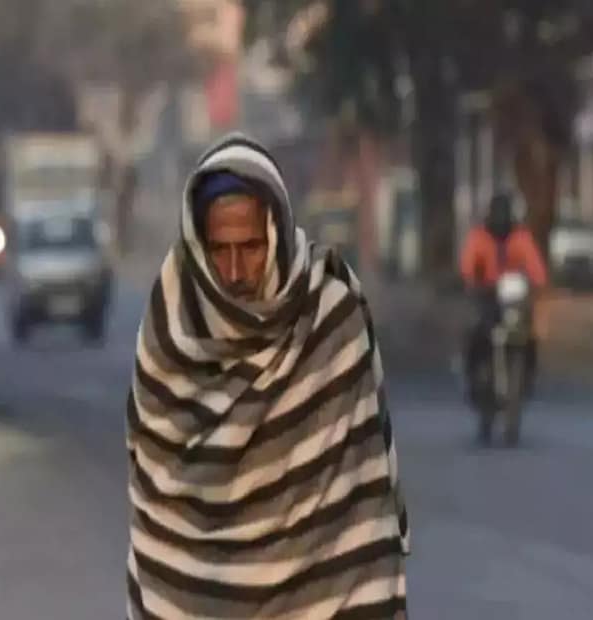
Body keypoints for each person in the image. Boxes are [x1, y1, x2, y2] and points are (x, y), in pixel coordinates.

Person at [125, 133, 410, 619]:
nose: (235, 271)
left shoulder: (330, 314)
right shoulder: (171, 326)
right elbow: (157, 490)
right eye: (219, 249)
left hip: (328, 597)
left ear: (277, 231)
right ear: (197, 244)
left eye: (252, 246)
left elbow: (368, 484)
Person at [459, 193, 548, 408]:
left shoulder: (520, 237)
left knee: (529, 335)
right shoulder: (479, 236)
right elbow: (468, 266)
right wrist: (473, 281)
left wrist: (535, 283)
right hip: (487, 296)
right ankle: (472, 374)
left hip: (513, 299)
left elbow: (536, 268)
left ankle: (528, 375)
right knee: (474, 332)